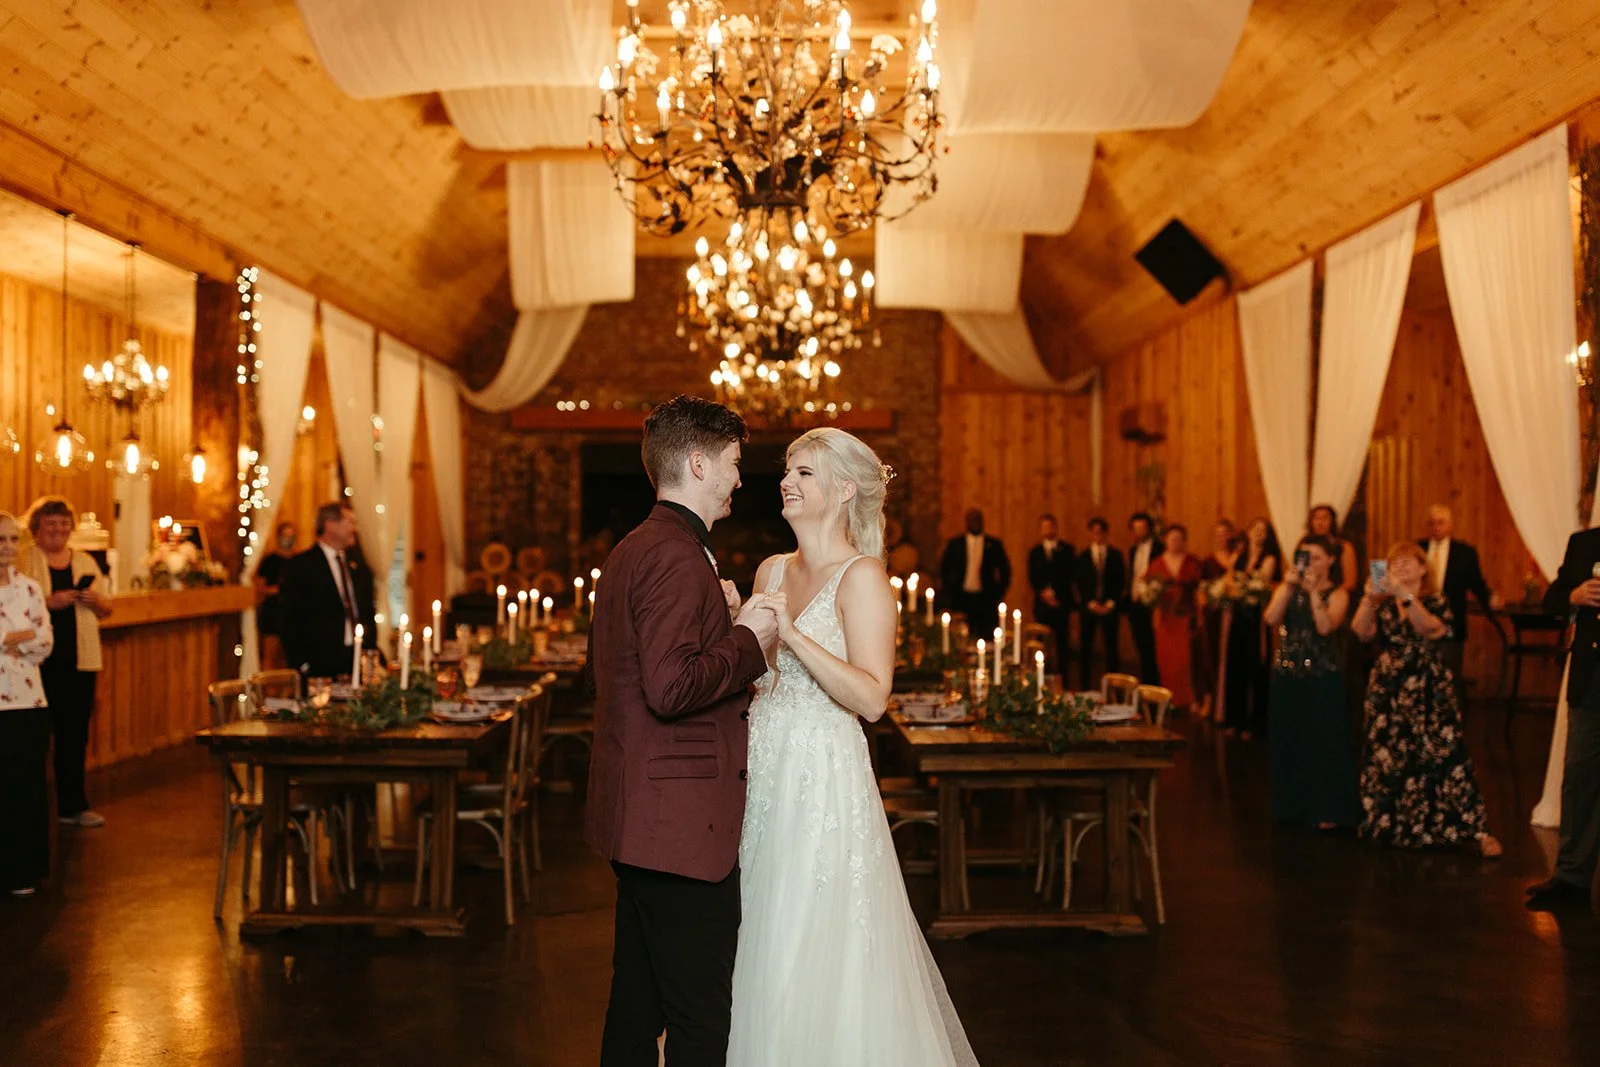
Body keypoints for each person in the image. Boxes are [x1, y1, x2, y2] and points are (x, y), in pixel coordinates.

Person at [730, 427, 978, 1066]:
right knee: (757, 926)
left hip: (825, 777)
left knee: (816, 932)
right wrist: (732, 626)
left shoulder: (863, 578)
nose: (788, 480)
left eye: (805, 472)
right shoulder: (771, 569)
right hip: (763, 768)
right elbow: (760, 678)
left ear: (843, 490)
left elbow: (871, 698)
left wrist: (792, 633)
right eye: (788, 469)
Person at [585, 395, 781, 1065]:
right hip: (678, 827)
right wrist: (750, 639)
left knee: (636, 1010)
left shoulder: (637, 547)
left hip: (639, 817)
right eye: (731, 463)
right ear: (698, 463)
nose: (737, 479)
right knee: (700, 1019)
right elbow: (669, 688)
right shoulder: (675, 554)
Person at [1351, 542, 1501, 857]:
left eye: (1408, 561)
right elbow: (1360, 632)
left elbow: (1431, 628)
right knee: (1391, 756)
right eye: (1395, 563)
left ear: (1423, 568)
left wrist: (1405, 594)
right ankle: (1398, 824)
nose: (1401, 566)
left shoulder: (1436, 600)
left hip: (1426, 686)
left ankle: (1475, 829)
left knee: (1446, 756)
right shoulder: (1384, 604)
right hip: (1389, 688)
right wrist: (1369, 597)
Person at [21, 497, 111, 829]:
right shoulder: (25, 559)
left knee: (74, 736)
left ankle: (72, 806)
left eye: (63, 523)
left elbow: (107, 609)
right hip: (38, 663)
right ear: (37, 529)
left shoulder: (86, 561)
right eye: (50, 523)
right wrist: (50, 603)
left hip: (80, 660)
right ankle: (33, 811)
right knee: (37, 738)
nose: (58, 530)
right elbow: (16, 605)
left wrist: (95, 600)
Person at [1263, 535, 1361, 830]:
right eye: (1305, 556)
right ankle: (1291, 806)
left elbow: (1326, 626)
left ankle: (1328, 809)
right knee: (1289, 740)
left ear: (1331, 560)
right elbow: (1270, 618)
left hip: (1321, 675)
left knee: (1324, 742)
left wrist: (1314, 592)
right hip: (1287, 674)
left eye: (1317, 557)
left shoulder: (1338, 593)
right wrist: (1289, 587)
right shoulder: (1289, 588)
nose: (1311, 563)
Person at [1527, 524, 1600, 913]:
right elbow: (1552, 599)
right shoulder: (1583, 543)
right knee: (1579, 777)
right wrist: (1573, 595)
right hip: (1592, 678)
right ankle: (1571, 878)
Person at [0, 511, 54, 896]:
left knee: (27, 788)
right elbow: (22, 638)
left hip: (29, 700)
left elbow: (45, 642)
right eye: (0, 540)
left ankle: (23, 871)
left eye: (12, 540)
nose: (7, 547)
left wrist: (15, 639)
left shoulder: (31, 589)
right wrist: (18, 636)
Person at [278, 503, 378, 680]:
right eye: (350, 522)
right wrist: (302, 664)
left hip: (356, 658)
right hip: (319, 664)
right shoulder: (301, 566)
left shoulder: (358, 565)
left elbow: (367, 612)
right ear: (330, 525)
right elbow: (289, 620)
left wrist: (370, 651)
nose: (355, 529)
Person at [1418, 505, 1498, 685]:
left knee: (1449, 675)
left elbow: (1477, 583)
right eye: (1432, 523)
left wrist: (1489, 601)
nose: (1436, 527)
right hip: (1420, 619)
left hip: (1452, 620)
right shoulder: (1418, 549)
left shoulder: (1465, 553)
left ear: (1450, 525)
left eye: (1440, 522)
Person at [1226, 518, 1280, 740]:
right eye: (1254, 529)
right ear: (1247, 532)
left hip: (1257, 619)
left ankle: (1256, 722)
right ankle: (1234, 720)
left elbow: (1261, 580)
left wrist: (1240, 584)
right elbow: (1228, 580)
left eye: (1263, 531)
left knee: (1256, 667)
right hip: (1238, 615)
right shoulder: (1239, 555)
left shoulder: (1269, 558)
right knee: (1235, 666)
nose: (1258, 534)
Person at [1145, 524, 1204, 711]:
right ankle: (1168, 697)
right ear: (1166, 540)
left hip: (1185, 616)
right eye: (1172, 539)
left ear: (1184, 541)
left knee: (1186, 660)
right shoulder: (1156, 564)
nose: (1176, 542)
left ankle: (1190, 699)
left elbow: (1200, 589)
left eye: (1179, 539)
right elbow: (1148, 591)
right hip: (1165, 618)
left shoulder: (1192, 562)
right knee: (1166, 660)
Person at [939, 509, 1010, 636]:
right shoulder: (955, 544)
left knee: (985, 634)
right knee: (961, 634)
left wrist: (999, 593)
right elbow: (945, 569)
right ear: (967, 522)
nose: (975, 523)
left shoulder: (993, 544)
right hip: (961, 598)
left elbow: (1005, 571)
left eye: (978, 520)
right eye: (972, 520)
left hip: (985, 599)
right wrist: (950, 591)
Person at [1073, 517, 1125, 690]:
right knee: (1085, 648)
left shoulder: (1115, 556)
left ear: (1105, 533)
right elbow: (1079, 583)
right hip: (1089, 608)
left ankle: (1114, 688)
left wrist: (1110, 604)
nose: (1098, 536)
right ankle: (1084, 687)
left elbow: (1120, 582)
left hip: (1110, 608)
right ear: (1090, 534)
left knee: (1112, 649)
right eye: (1094, 532)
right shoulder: (1083, 556)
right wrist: (1090, 603)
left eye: (1100, 532)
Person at [1026, 514, 1075, 674]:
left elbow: (1069, 574)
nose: (1047, 530)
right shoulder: (1035, 552)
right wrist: (1044, 593)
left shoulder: (1067, 550)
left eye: (1049, 526)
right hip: (1042, 604)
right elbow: (1033, 576)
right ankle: (1041, 675)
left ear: (1055, 527)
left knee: (1062, 644)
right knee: (1041, 642)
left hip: (1061, 603)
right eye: (1043, 527)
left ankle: (1063, 677)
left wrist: (1055, 593)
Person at [254, 521, 298, 670]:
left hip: (292, 615)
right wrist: (279, 590)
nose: (289, 539)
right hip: (272, 614)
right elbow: (260, 588)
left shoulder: (297, 561)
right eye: (286, 535)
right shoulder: (269, 561)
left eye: (291, 536)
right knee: (270, 655)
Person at [1125, 513, 1160, 684]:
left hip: (1152, 605)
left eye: (1142, 528)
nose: (1139, 532)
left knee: (1153, 648)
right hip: (1135, 605)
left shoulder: (1158, 548)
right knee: (1141, 647)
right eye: (1136, 529)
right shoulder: (1133, 550)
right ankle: (1145, 683)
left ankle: (1155, 684)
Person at [1307, 504, 1359, 593]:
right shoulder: (1305, 545)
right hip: (1309, 592)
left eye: (1324, 518)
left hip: (1337, 595)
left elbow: (1350, 583)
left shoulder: (1344, 547)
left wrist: (1328, 594)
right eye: (1316, 518)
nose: (1320, 522)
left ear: (1332, 522)